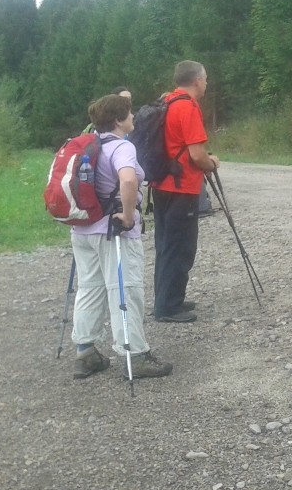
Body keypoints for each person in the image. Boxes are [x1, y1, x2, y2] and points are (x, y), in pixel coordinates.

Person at [71, 94, 172, 380]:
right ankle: (135, 356)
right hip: (113, 231)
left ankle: (85, 352)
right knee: (125, 289)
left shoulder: (88, 145)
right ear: (118, 120)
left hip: (83, 229)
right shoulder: (121, 147)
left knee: (89, 288)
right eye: (129, 114)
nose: (133, 117)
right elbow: (128, 179)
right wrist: (128, 217)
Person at [151, 60, 220, 323]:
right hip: (182, 187)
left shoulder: (166, 101)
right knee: (181, 246)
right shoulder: (187, 107)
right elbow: (197, 155)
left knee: (165, 243)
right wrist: (211, 163)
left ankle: (166, 297)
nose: (206, 83)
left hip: (162, 184)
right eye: (205, 78)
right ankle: (168, 307)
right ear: (196, 80)